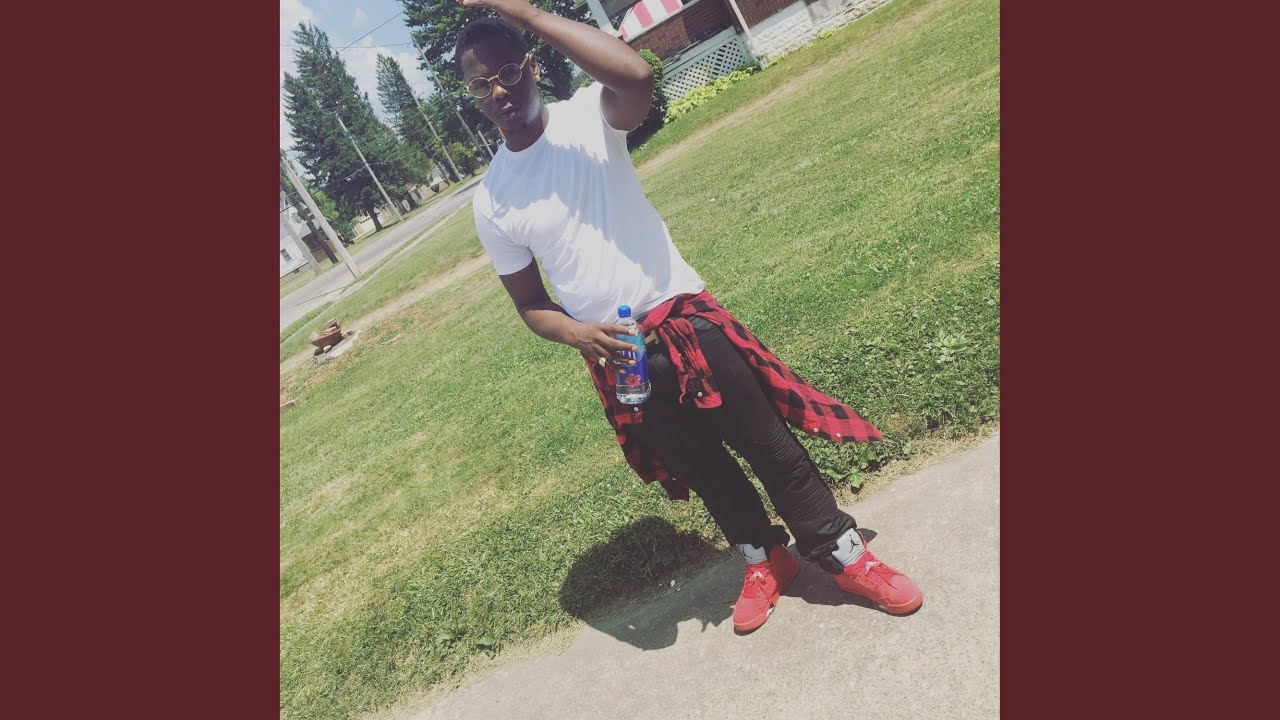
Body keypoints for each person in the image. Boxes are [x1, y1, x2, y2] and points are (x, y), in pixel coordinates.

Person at [457, 0, 923, 633]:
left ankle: (844, 555)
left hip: (684, 319)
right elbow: (530, 305)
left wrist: (521, 11)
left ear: (531, 66)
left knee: (767, 445)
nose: (499, 92)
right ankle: (766, 559)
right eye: (480, 84)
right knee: (704, 468)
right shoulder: (493, 199)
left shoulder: (589, 117)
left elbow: (637, 75)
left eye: (509, 71)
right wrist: (579, 333)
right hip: (620, 358)